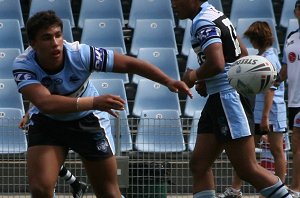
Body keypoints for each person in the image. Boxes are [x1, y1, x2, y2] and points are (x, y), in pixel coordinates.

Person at [12, 10, 192, 198]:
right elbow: (46, 103)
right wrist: (94, 102)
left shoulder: (81, 54)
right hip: (48, 122)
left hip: (87, 120)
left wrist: (168, 81)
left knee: (108, 192)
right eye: (47, 38)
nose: (55, 43)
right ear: (33, 43)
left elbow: (130, 64)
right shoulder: (23, 65)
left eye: (58, 35)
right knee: (40, 189)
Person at [170, 0, 292, 197]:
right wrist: (207, 80)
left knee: (247, 169)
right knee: (199, 165)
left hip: (227, 98)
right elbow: (242, 53)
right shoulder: (216, 14)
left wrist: (193, 77)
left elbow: (217, 63)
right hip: (219, 97)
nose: (172, 4)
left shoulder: (203, 21)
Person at [218, 21, 288, 198]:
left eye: (253, 39)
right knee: (246, 153)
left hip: (271, 113)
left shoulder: (270, 60)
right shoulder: (260, 57)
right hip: (258, 113)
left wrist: (265, 118)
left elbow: (271, 92)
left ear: (259, 39)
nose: (251, 43)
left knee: (277, 150)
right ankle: (235, 189)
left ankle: (278, 189)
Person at [19, 107, 88, 198]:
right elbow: (38, 99)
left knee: (47, 164)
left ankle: (75, 184)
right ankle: (76, 184)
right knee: (45, 164)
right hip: (40, 122)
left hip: (63, 121)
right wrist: (27, 116)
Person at [277, 1, 300, 197]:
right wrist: (270, 80)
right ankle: (297, 187)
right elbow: (284, 70)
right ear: (296, 12)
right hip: (294, 100)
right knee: (297, 146)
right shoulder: (292, 37)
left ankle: (297, 188)